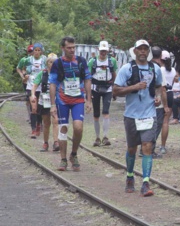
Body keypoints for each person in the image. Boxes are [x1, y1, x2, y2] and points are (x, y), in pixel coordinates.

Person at [113, 39, 164, 197]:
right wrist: (134, 87)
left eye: (145, 49)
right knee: (132, 148)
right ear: (134, 51)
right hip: (131, 115)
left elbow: (159, 87)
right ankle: (129, 176)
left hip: (149, 114)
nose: (142, 52)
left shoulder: (155, 68)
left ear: (148, 52)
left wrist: (159, 98)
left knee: (147, 146)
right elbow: (115, 91)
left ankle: (146, 182)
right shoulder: (126, 69)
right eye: (140, 49)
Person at [49, 37, 92, 172]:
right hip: (62, 100)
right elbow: (53, 83)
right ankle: (63, 159)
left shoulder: (81, 61)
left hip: (78, 99)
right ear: (63, 48)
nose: (72, 50)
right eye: (69, 47)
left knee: (78, 127)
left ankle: (73, 154)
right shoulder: (58, 63)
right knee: (63, 129)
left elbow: (87, 79)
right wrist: (52, 105)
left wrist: (89, 100)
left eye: (73, 47)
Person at [88, 40, 118, 147]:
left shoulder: (112, 61)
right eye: (101, 51)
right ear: (98, 50)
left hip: (108, 88)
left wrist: (115, 88)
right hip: (95, 88)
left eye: (105, 51)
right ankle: (97, 137)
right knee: (96, 114)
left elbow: (114, 74)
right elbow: (88, 77)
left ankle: (105, 137)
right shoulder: (92, 61)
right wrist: (88, 93)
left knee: (106, 111)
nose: (103, 53)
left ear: (108, 51)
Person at [31, 55, 59, 152]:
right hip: (44, 101)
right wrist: (33, 94)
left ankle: (56, 142)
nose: (52, 64)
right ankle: (45, 143)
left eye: (54, 62)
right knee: (46, 123)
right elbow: (35, 84)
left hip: (56, 100)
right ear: (47, 63)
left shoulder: (59, 73)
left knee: (56, 121)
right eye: (50, 62)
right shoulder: (42, 73)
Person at [20, 43, 47, 138]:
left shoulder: (45, 59)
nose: (37, 52)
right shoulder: (27, 60)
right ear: (33, 51)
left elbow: (49, 69)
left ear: (41, 51)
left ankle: (39, 124)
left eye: (39, 50)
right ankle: (33, 129)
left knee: (39, 108)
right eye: (35, 50)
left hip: (41, 86)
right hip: (31, 86)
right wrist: (24, 76)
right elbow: (21, 68)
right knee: (33, 108)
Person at [157, 50, 175, 155]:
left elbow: (161, 86)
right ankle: (163, 145)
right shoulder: (173, 70)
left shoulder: (159, 70)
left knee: (159, 121)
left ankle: (154, 142)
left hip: (162, 95)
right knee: (166, 122)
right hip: (171, 94)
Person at [16, 45, 34, 122]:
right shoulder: (24, 60)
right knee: (28, 99)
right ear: (28, 52)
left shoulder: (40, 60)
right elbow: (18, 68)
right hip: (27, 82)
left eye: (32, 51)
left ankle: (36, 117)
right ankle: (30, 116)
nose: (31, 53)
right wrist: (22, 77)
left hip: (35, 82)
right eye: (30, 51)